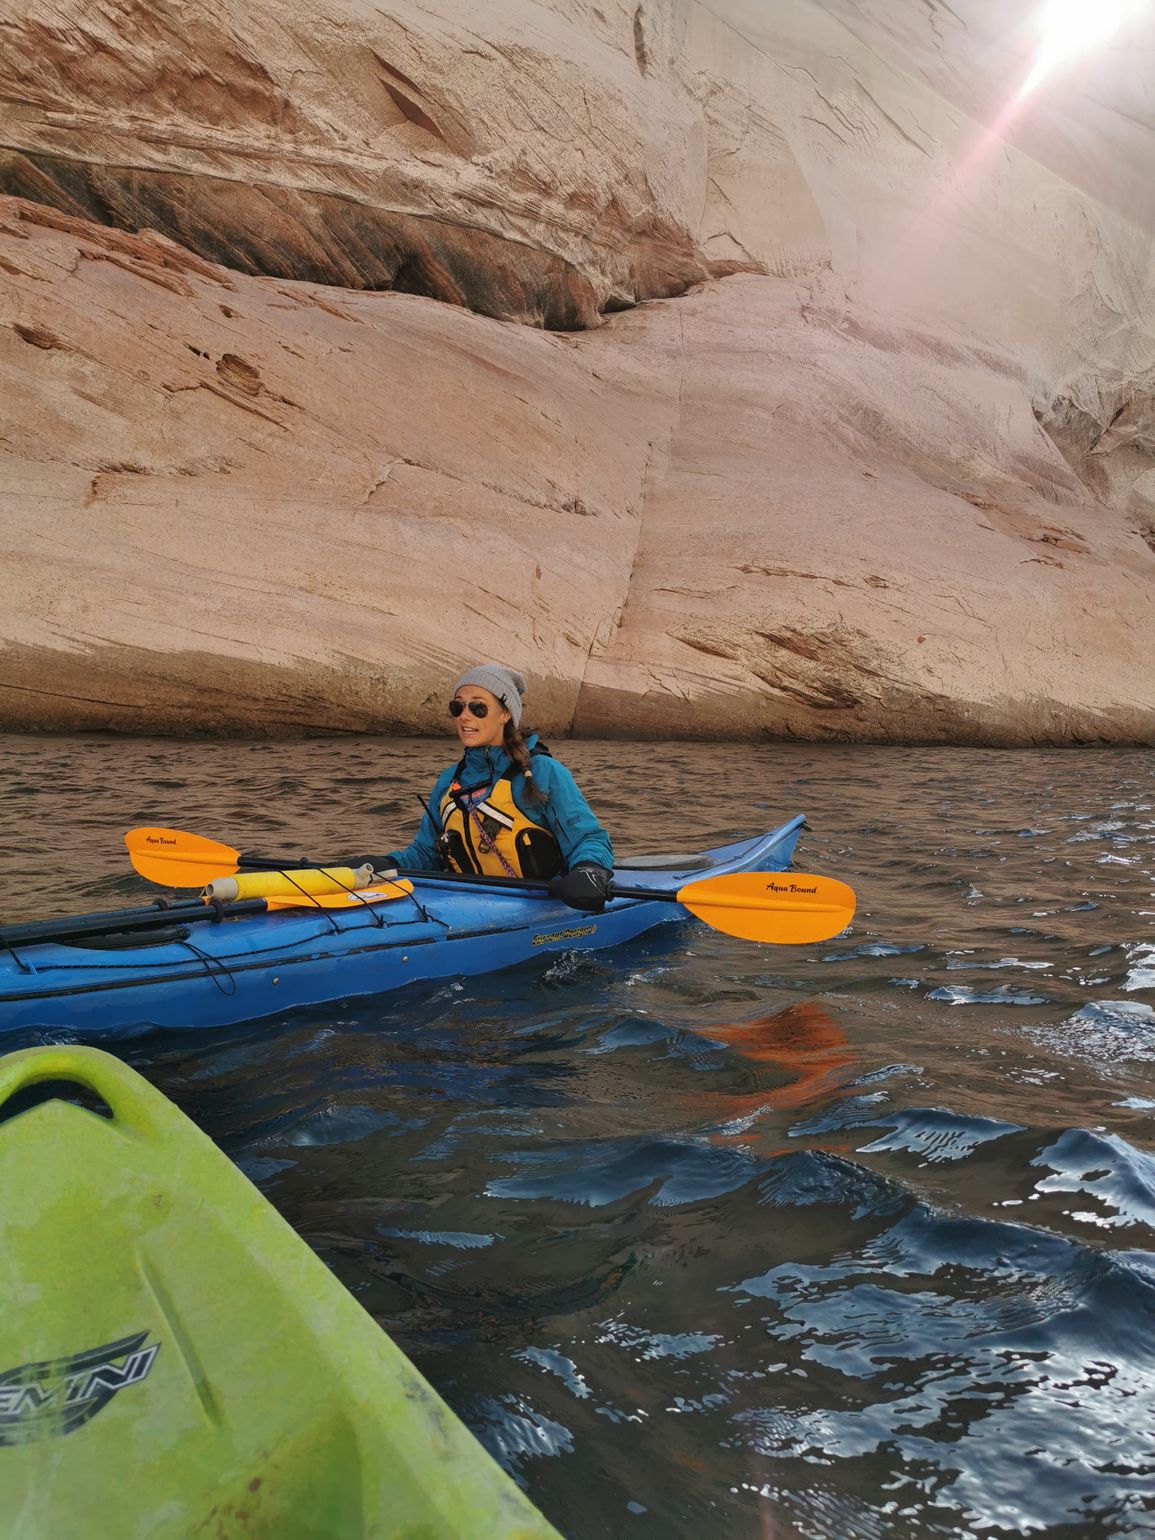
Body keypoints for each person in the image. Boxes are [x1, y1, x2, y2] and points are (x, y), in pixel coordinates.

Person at [372, 664, 615, 912]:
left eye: (478, 707)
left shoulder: (542, 771)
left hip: (542, 907)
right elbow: (425, 855)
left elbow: (590, 839)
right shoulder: (448, 781)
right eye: (458, 707)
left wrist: (590, 869)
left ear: (505, 714)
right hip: (467, 908)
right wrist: (380, 864)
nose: (464, 716)